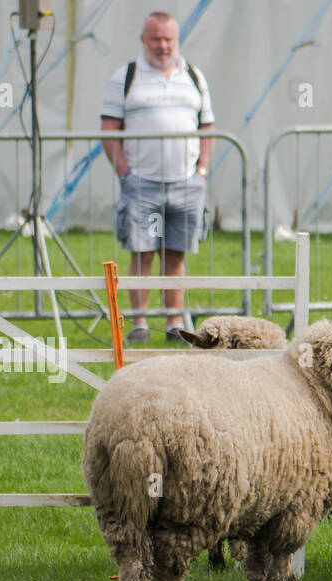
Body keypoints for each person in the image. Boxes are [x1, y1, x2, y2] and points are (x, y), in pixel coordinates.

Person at [100, 11, 214, 343]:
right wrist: (125, 172)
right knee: (143, 251)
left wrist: (202, 170)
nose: (162, 46)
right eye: (156, 39)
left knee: (175, 253)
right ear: (143, 40)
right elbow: (108, 130)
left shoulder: (193, 76)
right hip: (143, 186)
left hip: (185, 185)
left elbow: (207, 126)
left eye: (168, 40)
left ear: (176, 41)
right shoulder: (126, 76)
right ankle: (138, 323)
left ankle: (174, 323)